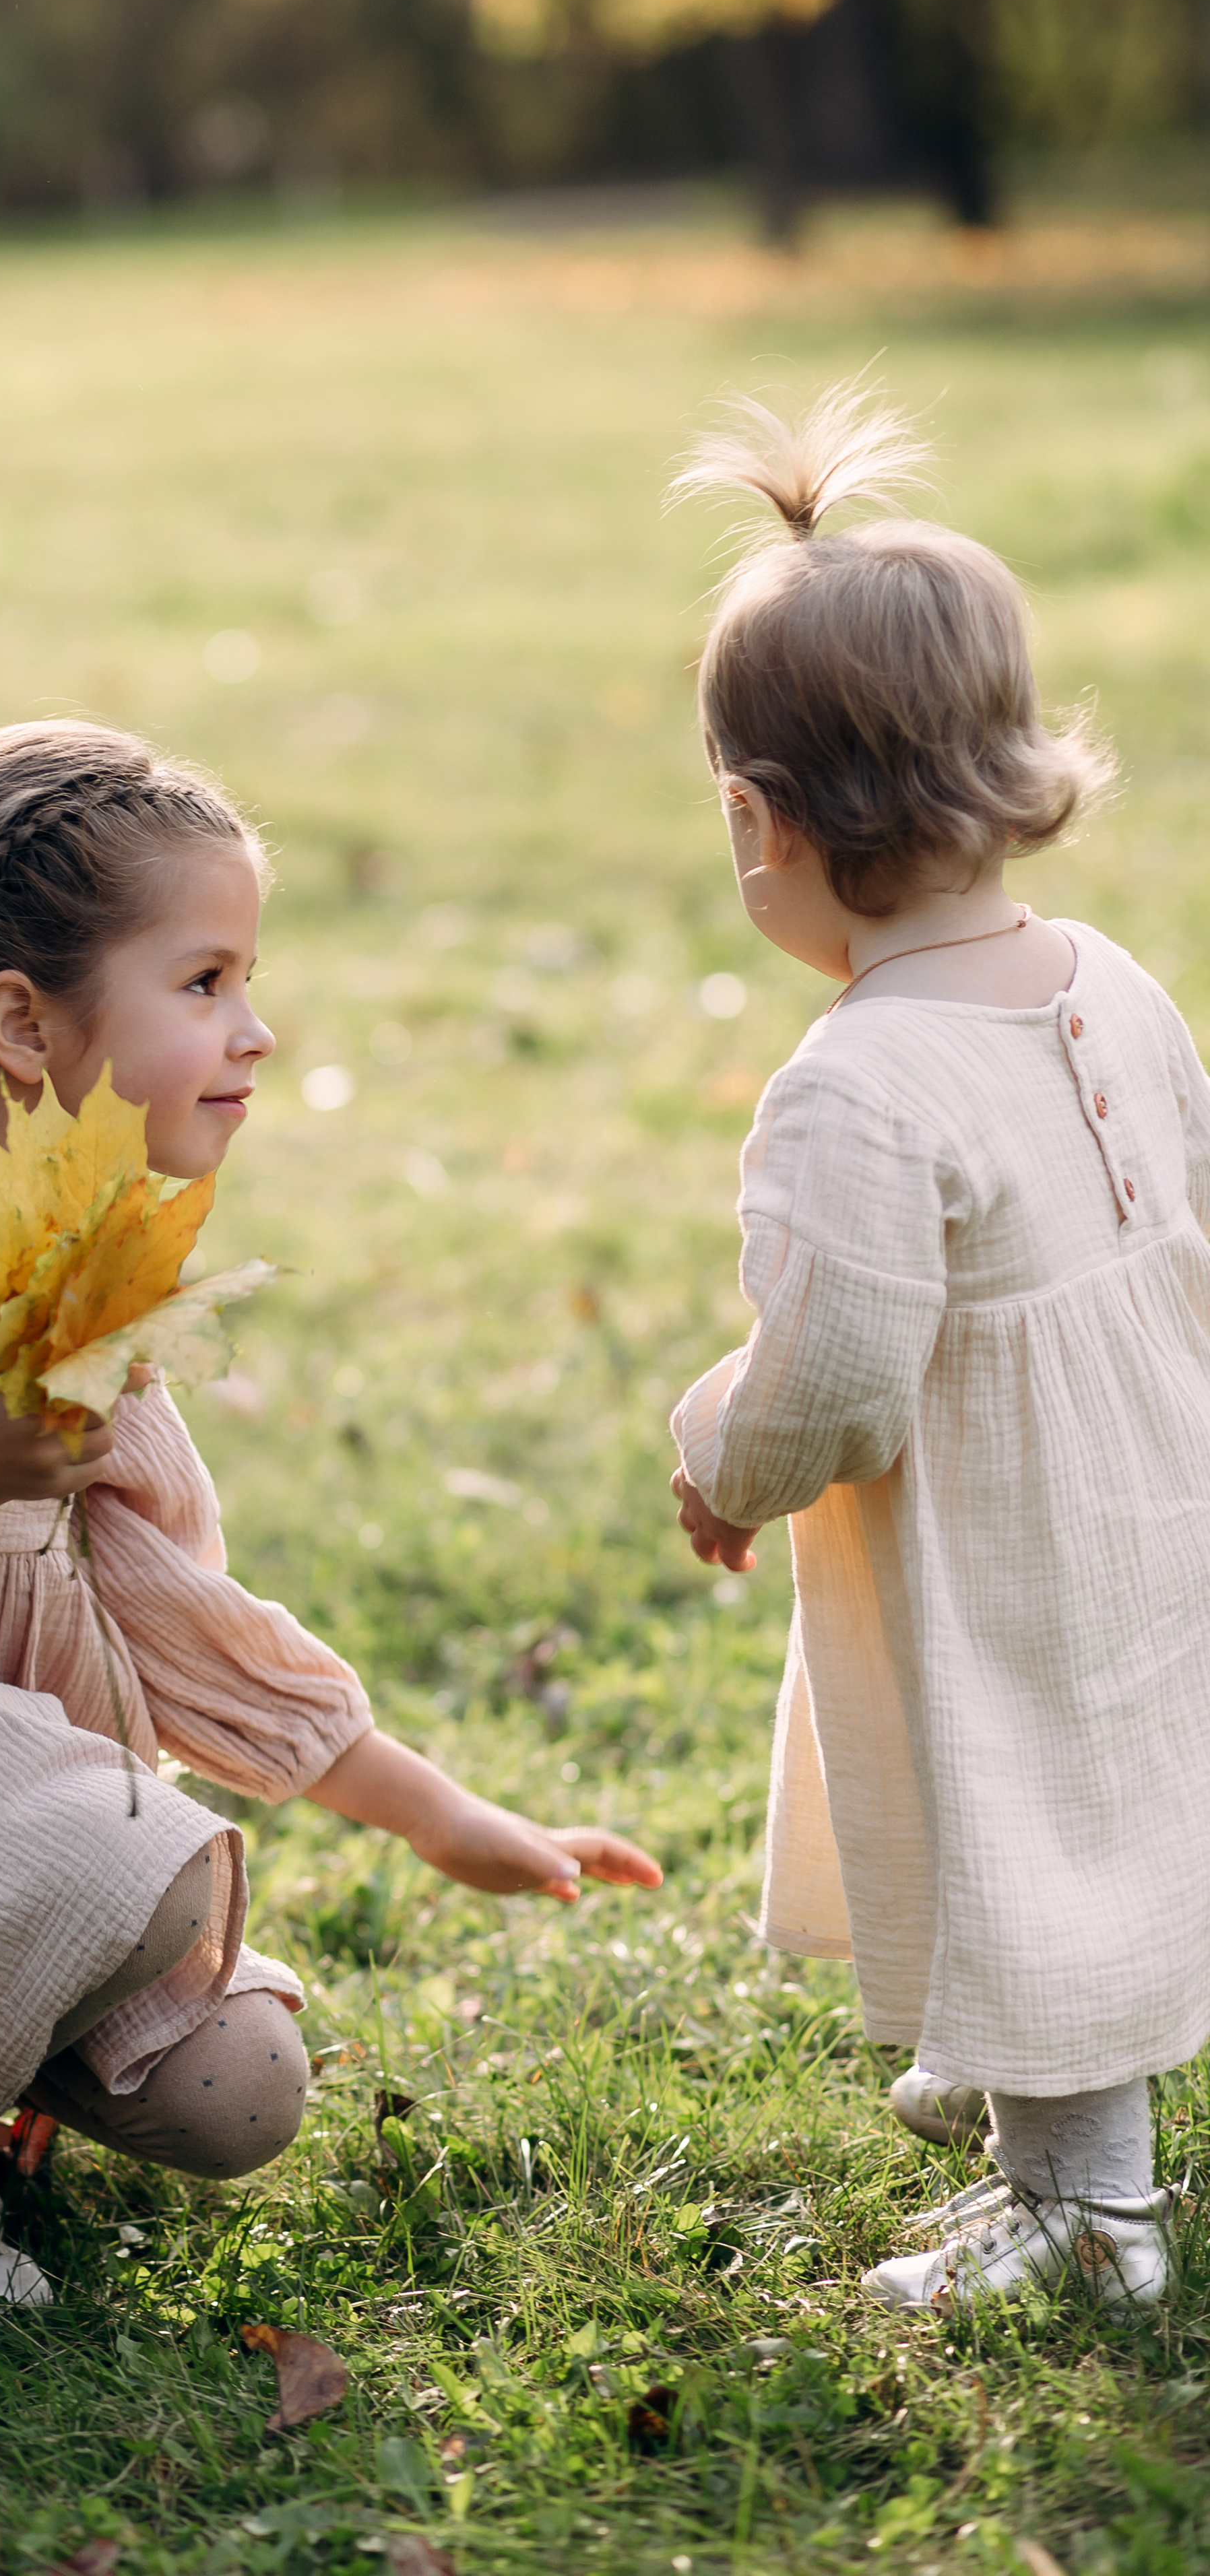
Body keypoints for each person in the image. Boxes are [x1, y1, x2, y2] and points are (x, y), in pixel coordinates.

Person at [0, 718, 659, 2320]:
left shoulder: (80, 1251)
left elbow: (152, 1592)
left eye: (246, 982)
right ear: (21, 1020)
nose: (257, 1030)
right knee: (110, 1863)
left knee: (240, 2091)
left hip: (6, 1815)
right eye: (203, 982)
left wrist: (436, 1813)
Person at [666, 387, 1210, 2314]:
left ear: (764, 823)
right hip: (1149, 1489)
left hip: (1007, 1536)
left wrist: (715, 1449)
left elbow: (829, 1379)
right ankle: (1017, 2057)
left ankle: (1087, 2212)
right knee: (1108, 1785)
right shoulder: (1111, 981)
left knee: (1021, 1792)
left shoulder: (858, 1086)